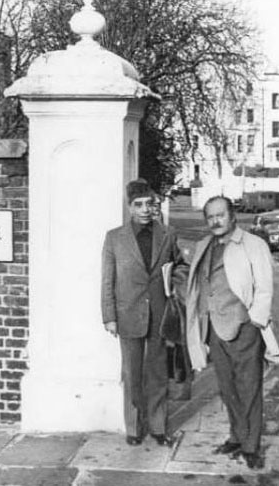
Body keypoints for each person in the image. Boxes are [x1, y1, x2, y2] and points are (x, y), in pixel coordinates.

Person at [186, 196, 274, 469]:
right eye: (210, 217)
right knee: (227, 388)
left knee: (249, 389)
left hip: (245, 328)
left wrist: (255, 321)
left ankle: (251, 446)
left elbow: (264, 287)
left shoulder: (253, 244)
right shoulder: (204, 245)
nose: (216, 221)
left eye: (220, 215)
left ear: (232, 215)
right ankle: (237, 436)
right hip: (215, 328)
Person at [101, 178, 188, 446]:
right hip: (127, 314)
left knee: (158, 371)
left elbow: (181, 266)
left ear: (154, 205)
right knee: (132, 373)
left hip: (160, 313)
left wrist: (174, 280)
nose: (144, 209)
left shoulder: (167, 234)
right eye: (138, 204)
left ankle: (158, 426)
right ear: (130, 207)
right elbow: (107, 280)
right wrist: (109, 317)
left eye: (148, 204)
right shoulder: (115, 238)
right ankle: (134, 428)